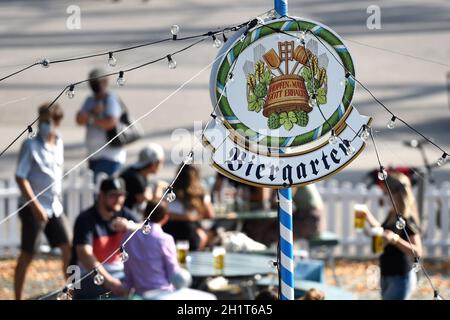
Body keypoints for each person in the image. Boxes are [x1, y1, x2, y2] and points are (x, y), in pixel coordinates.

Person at [14, 103, 71, 300]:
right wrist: (35, 206)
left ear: (57, 123)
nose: (45, 125)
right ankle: (18, 296)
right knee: (28, 253)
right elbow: (21, 177)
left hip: (54, 206)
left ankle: (72, 292)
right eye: (43, 121)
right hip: (33, 207)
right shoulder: (30, 145)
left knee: (68, 247)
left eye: (49, 121)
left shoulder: (59, 142)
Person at [71, 177, 139, 299]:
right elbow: (84, 254)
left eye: (121, 195)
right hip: (90, 275)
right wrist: (109, 281)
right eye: (113, 195)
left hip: (120, 273)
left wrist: (130, 226)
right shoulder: (86, 219)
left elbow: (148, 228)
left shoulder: (124, 213)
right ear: (101, 196)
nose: (118, 200)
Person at [359, 172, 422, 300]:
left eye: (387, 193)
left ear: (397, 195)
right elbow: (383, 231)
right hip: (386, 274)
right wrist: (367, 216)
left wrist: (395, 239)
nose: (384, 197)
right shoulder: (392, 213)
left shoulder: (406, 219)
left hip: (401, 277)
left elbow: (417, 251)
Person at [76, 68, 126, 180]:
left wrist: (91, 119)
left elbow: (111, 123)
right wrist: (92, 112)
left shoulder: (111, 99)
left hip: (109, 156)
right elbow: (79, 119)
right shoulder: (90, 100)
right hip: (93, 155)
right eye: (92, 83)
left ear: (104, 82)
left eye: (96, 82)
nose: (94, 86)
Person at [123, 201, 179, 296]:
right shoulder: (165, 239)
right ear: (165, 218)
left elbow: (127, 271)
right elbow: (173, 273)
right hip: (163, 293)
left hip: (139, 294)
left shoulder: (129, 236)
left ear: (144, 214)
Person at [163, 165, 214, 250]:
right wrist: (192, 217)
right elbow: (210, 214)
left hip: (169, 231)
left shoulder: (169, 191)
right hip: (190, 233)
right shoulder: (200, 193)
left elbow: (162, 212)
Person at [119, 144, 166, 214]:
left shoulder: (137, 172)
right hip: (124, 214)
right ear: (154, 164)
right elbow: (151, 203)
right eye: (161, 162)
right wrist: (159, 187)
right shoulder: (135, 178)